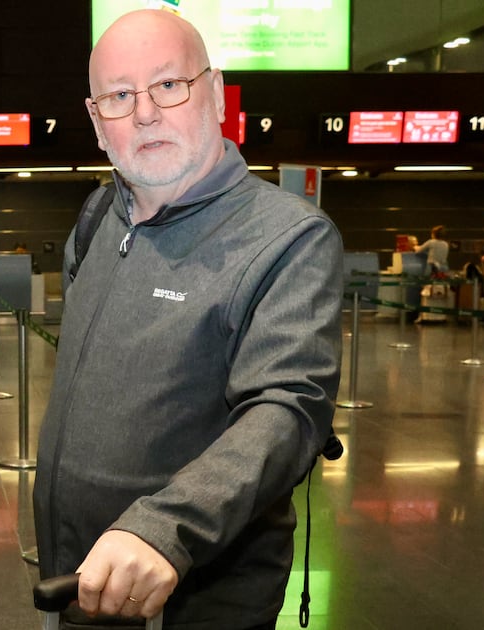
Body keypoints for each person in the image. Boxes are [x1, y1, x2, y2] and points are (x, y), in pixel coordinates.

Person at [33, 9, 343, 630]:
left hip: (195, 599)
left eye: (169, 85)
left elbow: (287, 409)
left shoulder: (288, 238)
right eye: (119, 96)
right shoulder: (97, 218)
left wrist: (164, 529)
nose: (145, 113)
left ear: (217, 94)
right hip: (78, 581)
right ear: (97, 123)